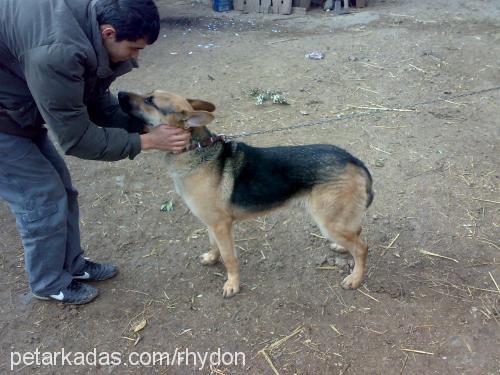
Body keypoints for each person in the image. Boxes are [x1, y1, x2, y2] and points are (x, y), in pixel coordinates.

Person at [0, 0, 191, 305]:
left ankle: (72, 266)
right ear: (108, 33)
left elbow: (92, 101)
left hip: (19, 105)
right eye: (133, 48)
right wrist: (148, 142)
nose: (136, 57)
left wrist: (142, 128)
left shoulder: (87, 32)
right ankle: (48, 282)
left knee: (63, 189)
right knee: (42, 197)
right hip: (6, 117)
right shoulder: (57, 53)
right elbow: (77, 139)